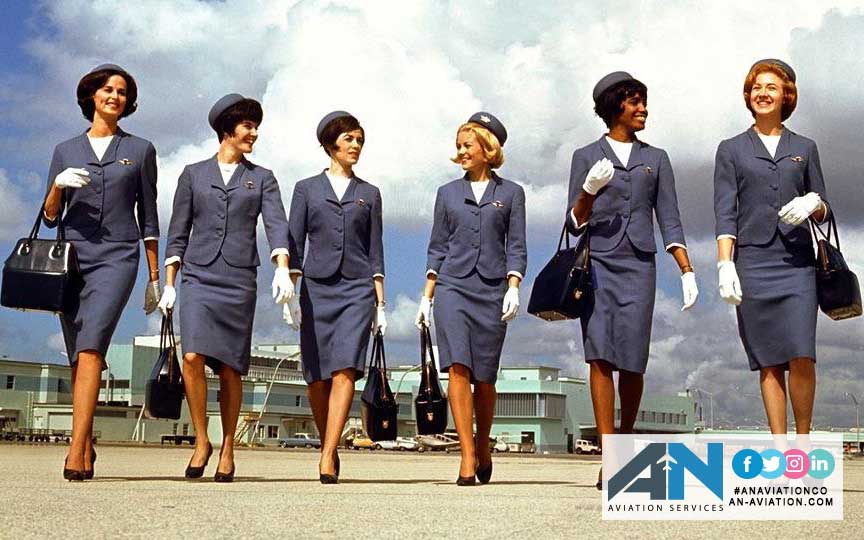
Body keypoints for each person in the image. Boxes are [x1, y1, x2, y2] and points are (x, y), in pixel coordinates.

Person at [566, 72, 697, 489]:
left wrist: (686, 268)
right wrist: (589, 190)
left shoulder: (656, 158)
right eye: (634, 101)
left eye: (644, 101)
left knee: (633, 359)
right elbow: (573, 223)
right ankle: (611, 455)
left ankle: (626, 439)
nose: (643, 108)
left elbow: (670, 217)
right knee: (600, 354)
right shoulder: (585, 155)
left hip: (640, 264)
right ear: (613, 106)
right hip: (598, 262)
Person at [159, 94, 293, 482]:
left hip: (238, 278)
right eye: (247, 126)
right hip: (199, 275)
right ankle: (202, 439)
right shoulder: (192, 174)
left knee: (232, 369)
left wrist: (281, 268)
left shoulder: (263, 177)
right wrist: (170, 282)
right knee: (192, 357)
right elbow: (178, 229)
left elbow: (276, 224)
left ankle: (229, 445)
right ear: (226, 130)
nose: (254, 133)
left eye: (255, 126)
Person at [42, 63, 160, 481]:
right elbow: (51, 216)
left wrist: (154, 278)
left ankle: (75, 451)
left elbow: (149, 217)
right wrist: (57, 184)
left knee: (92, 346)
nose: (115, 96)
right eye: (107, 89)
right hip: (71, 258)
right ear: (91, 95)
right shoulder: (65, 149)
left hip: (117, 256)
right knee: (78, 355)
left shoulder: (141, 149)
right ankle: (86, 440)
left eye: (122, 92)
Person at [714, 59, 828, 437]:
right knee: (768, 361)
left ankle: (803, 442)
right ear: (749, 96)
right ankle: (781, 448)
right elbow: (724, 210)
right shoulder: (730, 149)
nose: (762, 93)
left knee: (801, 353)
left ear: (786, 95)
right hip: (753, 263)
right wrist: (724, 264)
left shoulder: (805, 147)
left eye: (771, 87)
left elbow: (826, 208)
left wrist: (814, 203)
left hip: (797, 264)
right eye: (756, 87)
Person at [415, 112, 527, 486]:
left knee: (485, 377)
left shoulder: (511, 194)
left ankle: (483, 445)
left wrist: (514, 285)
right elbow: (437, 246)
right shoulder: (447, 194)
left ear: (487, 148)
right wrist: (427, 297)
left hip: (493, 291)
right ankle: (465, 454)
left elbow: (517, 246)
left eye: (467, 145)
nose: (461, 152)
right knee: (457, 367)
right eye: (458, 146)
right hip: (452, 288)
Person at [285, 111, 386, 484]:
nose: (356, 146)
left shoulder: (370, 194)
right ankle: (327, 437)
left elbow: (376, 250)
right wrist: (290, 292)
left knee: (346, 367)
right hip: (316, 287)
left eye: (360, 140)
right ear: (330, 144)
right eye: (349, 139)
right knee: (316, 375)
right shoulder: (306, 188)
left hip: (357, 288)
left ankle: (328, 453)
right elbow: (294, 241)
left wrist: (381, 303)